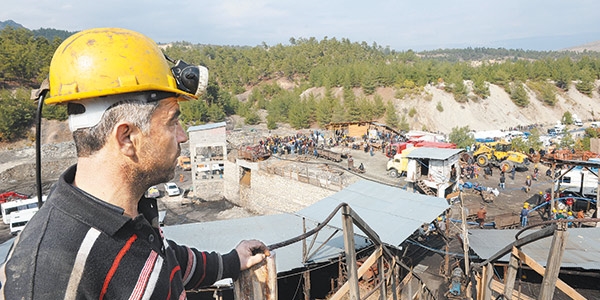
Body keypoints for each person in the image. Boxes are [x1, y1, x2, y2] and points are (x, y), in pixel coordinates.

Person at [0, 28, 268, 299]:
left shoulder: (126, 216)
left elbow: (163, 261)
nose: (183, 136)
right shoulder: (48, 276)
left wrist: (231, 261)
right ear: (127, 137)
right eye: (172, 121)